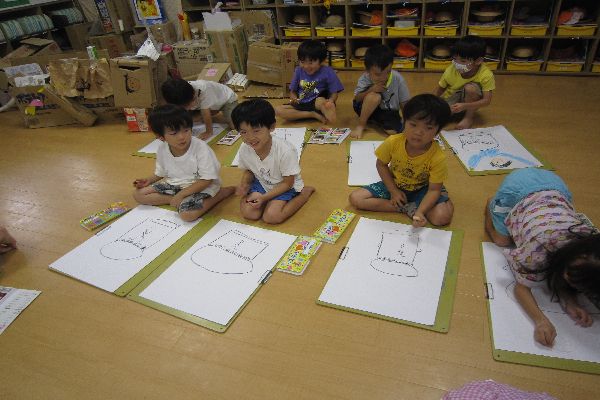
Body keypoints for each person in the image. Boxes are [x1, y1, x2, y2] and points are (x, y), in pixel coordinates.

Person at [485, 168, 600, 347]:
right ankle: (491, 204)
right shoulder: (539, 249)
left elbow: (566, 278)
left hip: (555, 188)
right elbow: (521, 288)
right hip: (519, 188)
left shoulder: (588, 242)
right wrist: (540, 320)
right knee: (502, 240)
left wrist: (570, 302)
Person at [349, 94, 453, 228]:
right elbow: (381, 164)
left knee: (441, 217)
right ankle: (406, 207)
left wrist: (420, 212)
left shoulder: (437, 157)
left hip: (423, 189)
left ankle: (422, 205)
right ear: (404, 121)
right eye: (413, 124)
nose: (418, 132)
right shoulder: (393, 142)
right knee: (356, 199)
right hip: (395, 183)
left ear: (438, 131)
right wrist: (393, 191)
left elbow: (433, 190)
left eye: (428, 128)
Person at [133, 104, 234, 221]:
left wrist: (182, 194)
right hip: (176, 185)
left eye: (186, 130)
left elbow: (207, 180)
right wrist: (148, 180)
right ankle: (178, 201)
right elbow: (161, 173)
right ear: (160, 137)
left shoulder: (200, 148)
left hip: (201, 186)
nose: (181, 137)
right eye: (173, 133)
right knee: (138, 194)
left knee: (187, 215)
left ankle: (220, 194)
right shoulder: (162, 149)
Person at [232, 99, 315, 224]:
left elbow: (288, 183)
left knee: (272, 217)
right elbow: (249, 170)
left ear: (271, 127)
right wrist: (244, 184)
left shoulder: (285, 150)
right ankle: (265, 201)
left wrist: (264, 198)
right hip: (262, 182)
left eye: (256, 130)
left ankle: (304, 194)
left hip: (285, 186)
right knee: (249, 213)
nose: (250, 138)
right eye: (243, 132)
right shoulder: (245, 148)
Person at [275, 40, 344, 124]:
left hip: (318, 102)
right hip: (302, 102)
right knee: (278, 110)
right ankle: (312, 114)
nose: (306, 66)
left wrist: (331, 101)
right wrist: (293, 98)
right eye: (302, 62)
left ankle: (323, 110)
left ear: (322, 61)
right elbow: (292, 91)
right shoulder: (298, 70)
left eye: (311, 63)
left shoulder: (328, 71)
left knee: (321, 101)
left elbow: (334, 92)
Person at [433, 35, 495, 130]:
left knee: (470, 88)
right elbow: (440, 88)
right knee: (435, 116)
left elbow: (486, 101)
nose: (457, 64)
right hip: (453, 97)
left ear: (478, 61)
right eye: (455, 59)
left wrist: (465, 106)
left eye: (463, 61)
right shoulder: (451, 69)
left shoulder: (486, 74)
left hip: (470, 102)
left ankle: (468, 118)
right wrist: (431, 104)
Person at [351, 44, 411, 139]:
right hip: (363, 107)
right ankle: (361, 125)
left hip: (387, 111)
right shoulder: (365, 78)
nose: (384, 78)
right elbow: (357, 99)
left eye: (388, 72)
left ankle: (376, 121)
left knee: (393, 131)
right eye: (378, 74)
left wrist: (408, 121)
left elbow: (405, 103)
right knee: (375, 97)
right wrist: (371, 90)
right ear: (367, 70)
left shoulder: (398, 79)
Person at [161, 78, 238, 140]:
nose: (187, 108)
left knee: (235, 126)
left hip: (227, 100)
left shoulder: (204, 89)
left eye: (188, 105)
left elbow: (205, 113)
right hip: (207, 105)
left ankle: (216, 112)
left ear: (193, 94)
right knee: (192, 119)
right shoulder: (180, 94)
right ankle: (213, 112)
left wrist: (208, 132)